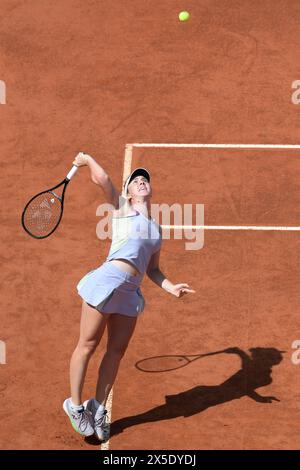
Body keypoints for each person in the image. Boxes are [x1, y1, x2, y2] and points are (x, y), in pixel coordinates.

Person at [63, 152, 196, 441]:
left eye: (144, 180)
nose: (141, 182)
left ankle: (97, 408)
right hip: (107, 282)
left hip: (130, 293)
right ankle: (74, 406)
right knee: (87, 345)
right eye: (135, 181)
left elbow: (154, 269)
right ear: (128, 193)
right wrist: (86, 159)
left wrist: (170, 286)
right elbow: (103, 179)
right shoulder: (123, 209)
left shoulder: (157, 230)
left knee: (116, 352)